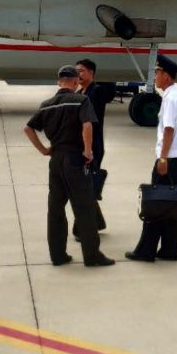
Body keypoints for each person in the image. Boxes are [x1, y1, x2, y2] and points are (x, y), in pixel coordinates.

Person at [24, 65, 114, 267]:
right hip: (75, 159)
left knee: (55, 208)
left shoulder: (46, 105)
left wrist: (44, 150)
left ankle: (58, 255)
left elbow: (28, 128)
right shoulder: (81, 100)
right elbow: (87, 125)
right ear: (75, 82)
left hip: (56, 159)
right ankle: (92, 255)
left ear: (59, 82)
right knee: (84, 208)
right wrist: (88, 151)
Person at [127, 54, 177, 262]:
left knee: (155, 204)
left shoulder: (170, 99)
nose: (155, 76)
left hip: (168, 159)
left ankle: (145, 251)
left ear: (166, 76)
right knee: (170, 204)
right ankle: (170, 249)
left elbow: (169, 129)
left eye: (157, 72)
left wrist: (162, 159)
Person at [73, 59, 110, 238]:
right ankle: (97, 222)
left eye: (81, 71)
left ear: (91, 73)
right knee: (85, 186)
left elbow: (89, 121)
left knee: (85, 187)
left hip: (92, 146)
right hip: (83, 144)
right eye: (76, 71)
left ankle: (83, 228)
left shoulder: (96, 91)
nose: (78, 74)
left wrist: (88, 150)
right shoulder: (80, 91)